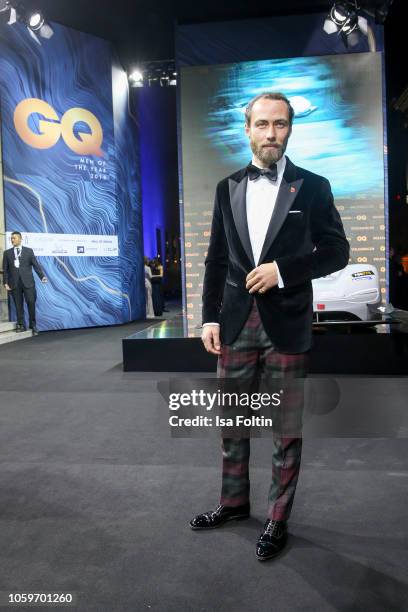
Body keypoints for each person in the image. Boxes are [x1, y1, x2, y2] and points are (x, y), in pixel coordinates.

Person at [189, 92, 349, 560]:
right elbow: (216, 258)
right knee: (233, 422)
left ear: (291, 129)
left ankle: (277, 519)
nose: (271, 133)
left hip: (287, 323)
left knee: (285, 428)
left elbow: (336, 251)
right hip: (236, 323)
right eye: (262, 124)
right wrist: (209, 316)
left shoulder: (314, 187)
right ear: (248, 130)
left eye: (279, 124)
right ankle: (234, 503)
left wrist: (284, 270)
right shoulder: (227, 187)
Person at [2, 231, 48, 335]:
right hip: (14, 283)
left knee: (31, 302)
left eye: (14, 238)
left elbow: (36, 265)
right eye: (11, 238)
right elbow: (5, 269)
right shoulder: (7, 253)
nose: (12, 240)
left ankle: (33, 325)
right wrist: (5, 282)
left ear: (20, 239)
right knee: (18, 305)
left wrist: (42, 276)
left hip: (28, 283)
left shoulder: (29, 251)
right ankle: (21, 324)